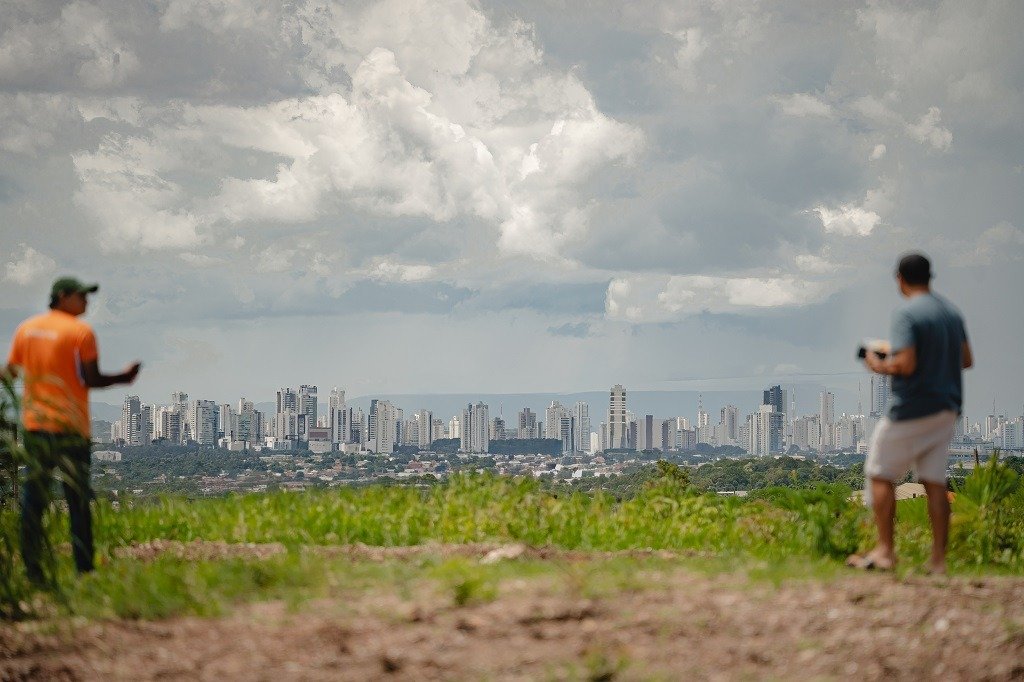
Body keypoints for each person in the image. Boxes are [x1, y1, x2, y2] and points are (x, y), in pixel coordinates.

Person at [3, 277, 141, 582]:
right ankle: (84, 570)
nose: (87, 302)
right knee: (78, 501)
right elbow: (91, 379)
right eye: (81, 296)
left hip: (36, 427)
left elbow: (9, 374)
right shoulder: (81, 332)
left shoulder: (26, 329)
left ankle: (32, 571)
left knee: (33, 500)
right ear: (62, 297)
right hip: (72, 430)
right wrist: (124, 378)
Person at [848, 253, 972, 574]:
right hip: (946, 409)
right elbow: (967, 359)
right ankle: (938, 561)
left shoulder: (906, 313)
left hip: (912, 409)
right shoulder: (951, 313)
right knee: (934, 482)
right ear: (930, 276)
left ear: (900, 278)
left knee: (879, 473)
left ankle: (886, 552)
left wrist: (877, 364)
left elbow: (905, 365)